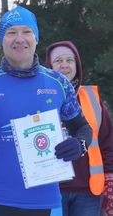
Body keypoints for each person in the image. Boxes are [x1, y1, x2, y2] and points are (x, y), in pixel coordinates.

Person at [0, 6, 93, 216]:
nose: (19, 38)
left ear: (36, 37)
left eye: (26, 31)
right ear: (2, 40)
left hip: (47, 202)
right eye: (11, 33)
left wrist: (79, 144)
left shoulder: (59, 84)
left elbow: (83, 128)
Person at [45, 40, 113, 216]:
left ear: (77, 65)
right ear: (49, 66)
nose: (65, 65)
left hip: (88, 191)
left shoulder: (92, 98)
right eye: (59, 60)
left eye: (70, 60)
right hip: (50, 190)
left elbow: (107, 142)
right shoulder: (39, 97)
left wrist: (110, 179)